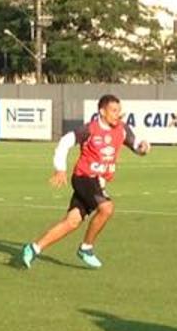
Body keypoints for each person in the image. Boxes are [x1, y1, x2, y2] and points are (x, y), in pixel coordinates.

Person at [19, 94, 150, 269]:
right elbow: (65, 141)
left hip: (97, 182)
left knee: (72, 222)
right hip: (84, 177)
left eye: (119, 110)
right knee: (107, 208)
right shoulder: (90, 129)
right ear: (102, 112)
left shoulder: (122, 129)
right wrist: (60, 168)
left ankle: (33, 248)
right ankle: (86, 248)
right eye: (113, 110)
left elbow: (136, 145)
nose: (117, 114)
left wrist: (143, 148)